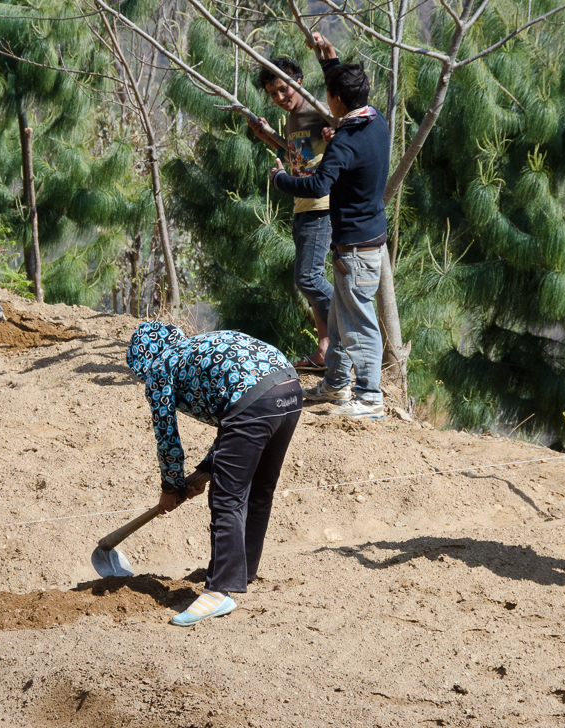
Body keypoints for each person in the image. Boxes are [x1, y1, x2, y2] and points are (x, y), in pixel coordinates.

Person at [126, 321, 302, 626]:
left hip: (254, 402)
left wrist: (170, 488)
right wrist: (203, 471)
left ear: (142, 359)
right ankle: (243, 571)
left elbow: (167, 439)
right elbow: (233, 423)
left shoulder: (159, 367)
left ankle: (219, 590)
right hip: (289, 388)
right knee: (260, 487)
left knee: (226, 497)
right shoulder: (195, 348)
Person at [270, 62, 390, 420]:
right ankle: (336, 383)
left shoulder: (345, 141)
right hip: (367, 239)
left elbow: (318, 184)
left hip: (355, 248)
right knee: (339, 319)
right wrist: (331, 63)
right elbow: (346, 102)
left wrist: (280, 179)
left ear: (336, 99)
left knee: (359, 324)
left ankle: (369, 397)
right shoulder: (376, 121)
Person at [247, 34, 338, 373]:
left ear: (298, 82)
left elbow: (345, 133)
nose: (280, 98)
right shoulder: (292, 119)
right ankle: (325, 349)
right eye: (273, 94)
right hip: (302, 205)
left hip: (322, 205)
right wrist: (268, 136)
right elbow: (298, 155)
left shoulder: (317, 110)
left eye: (284, 89)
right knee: (308, 282)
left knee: (309, 278)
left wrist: (335, 133)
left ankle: (350, 332)